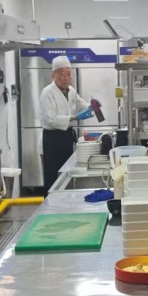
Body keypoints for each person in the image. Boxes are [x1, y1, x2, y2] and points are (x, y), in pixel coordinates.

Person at [40, 55, 96, 194]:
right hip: (52, 139)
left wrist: (92, 107)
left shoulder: (71, 90)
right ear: (53, 75)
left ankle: (65, 199)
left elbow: (81, 103)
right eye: (61, 74)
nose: (65, 78)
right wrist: (75, 117)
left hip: (67, 137)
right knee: (53, 175)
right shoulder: (47, 93)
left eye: (68, 74)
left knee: (66, 173)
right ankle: (51, 203)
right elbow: (51, 119)